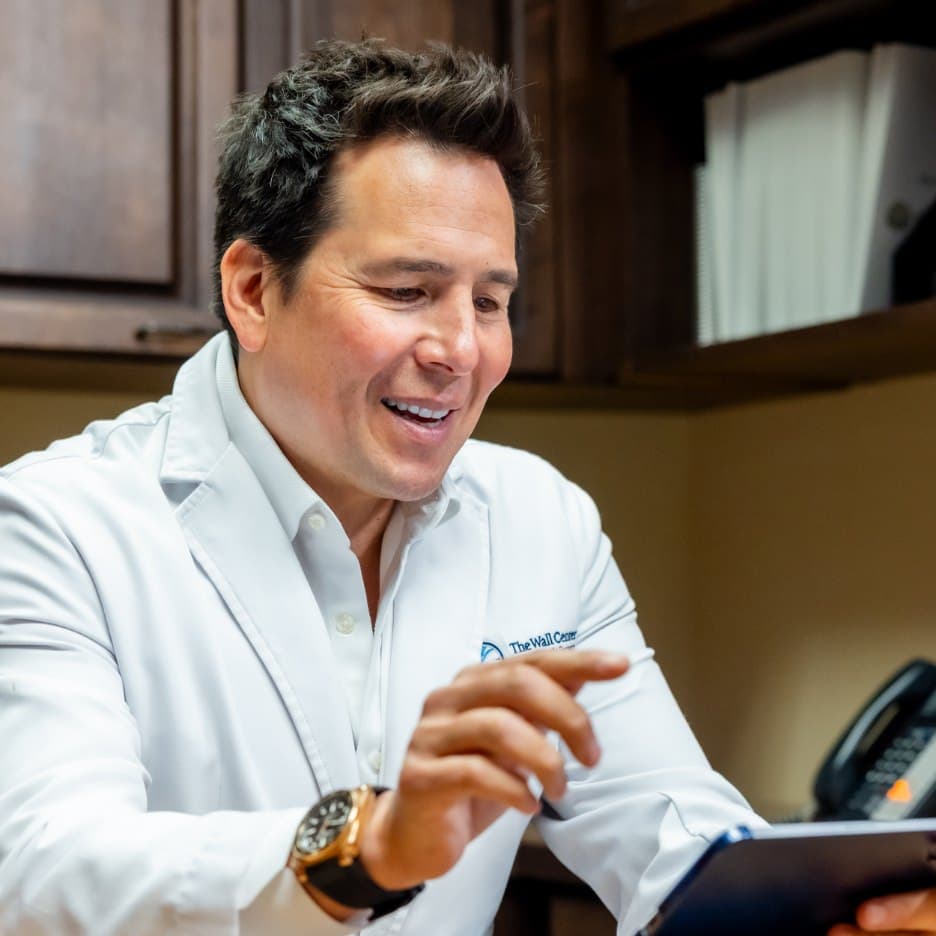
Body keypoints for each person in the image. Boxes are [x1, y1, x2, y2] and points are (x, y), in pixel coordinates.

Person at [0, 38, 933, 936]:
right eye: (407, 291)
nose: (461, 351)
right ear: (251, 289)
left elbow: (666, 830)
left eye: (490, 301)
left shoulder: (540, 522)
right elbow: (46, 875)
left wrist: (831, 906)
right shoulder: (54, 526)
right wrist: (365, 844)